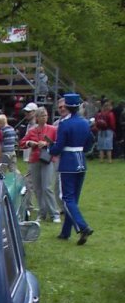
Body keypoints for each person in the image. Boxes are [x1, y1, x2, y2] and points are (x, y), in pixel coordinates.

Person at [49, 93, 95, 244]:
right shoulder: (84, 122)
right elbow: (89, 143)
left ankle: (83, 226)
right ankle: (65, 232)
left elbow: (59, 146)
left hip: (68, 162)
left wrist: (51, 148)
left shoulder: (64, 124)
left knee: (67, 198)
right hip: (81, 160)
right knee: (73, 199)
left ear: (67, 106)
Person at [19, 107, 60, 222]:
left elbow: (58, 143)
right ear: (37, 118)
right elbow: (22, 143)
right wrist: (29, 143)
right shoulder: (32, 130)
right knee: (37, 188)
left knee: (47, 187)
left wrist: (47, 143)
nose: (44, 117)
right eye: (41, 115)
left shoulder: (53, 129)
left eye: (45, 115)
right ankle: (42, 213)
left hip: (47, 159)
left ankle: (54, 213)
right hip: (34, 160)